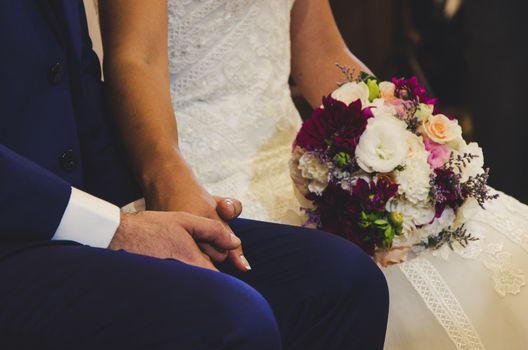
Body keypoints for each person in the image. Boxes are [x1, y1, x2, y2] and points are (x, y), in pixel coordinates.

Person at [91, 0, 528, 349]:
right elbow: (137, 59)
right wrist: (168, 178)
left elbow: (320, 50)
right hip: (196, 166)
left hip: (294, 151)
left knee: (491, 239)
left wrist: (402, 130)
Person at [0, 1, 389, 349]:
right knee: (233, 319)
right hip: (19, 230)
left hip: (80, 199)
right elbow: (135, 59)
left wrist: (397, 133)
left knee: (346, 279)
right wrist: (126, 217)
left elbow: (76, 86)